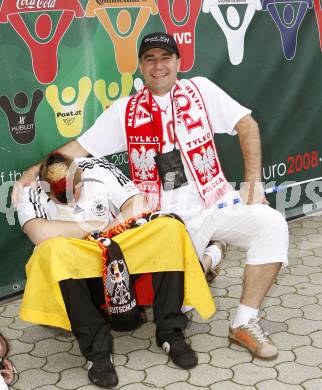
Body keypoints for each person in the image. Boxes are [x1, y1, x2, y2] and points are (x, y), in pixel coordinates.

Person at [14, 32, 289, 360]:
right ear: (141, 67)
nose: (159, 66)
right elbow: (77, 149)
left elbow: (246, 124)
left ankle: (244, 322)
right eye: (151, 59)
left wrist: (253, 183)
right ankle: (208, 258)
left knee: (272, 225)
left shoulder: (200, 90)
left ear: (178, 62)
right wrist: (35, 169)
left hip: (214, 198)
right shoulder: (124, 111)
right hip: (164, 217)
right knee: (184, 302)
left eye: (165, 58)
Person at [17, 153, 215, 388]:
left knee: (168, 228)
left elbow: (139, 203)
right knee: (52, 251)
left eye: (73, 193)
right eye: (60, 199)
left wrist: (110, 229)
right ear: (46, 190)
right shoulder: (31, 189)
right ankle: (97, 354)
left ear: (81, 181)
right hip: (79, 266)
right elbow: (39, 233)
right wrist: (90, 227)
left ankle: (170, 332)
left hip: (117, 250)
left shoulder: (97, 168)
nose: (69, 201)